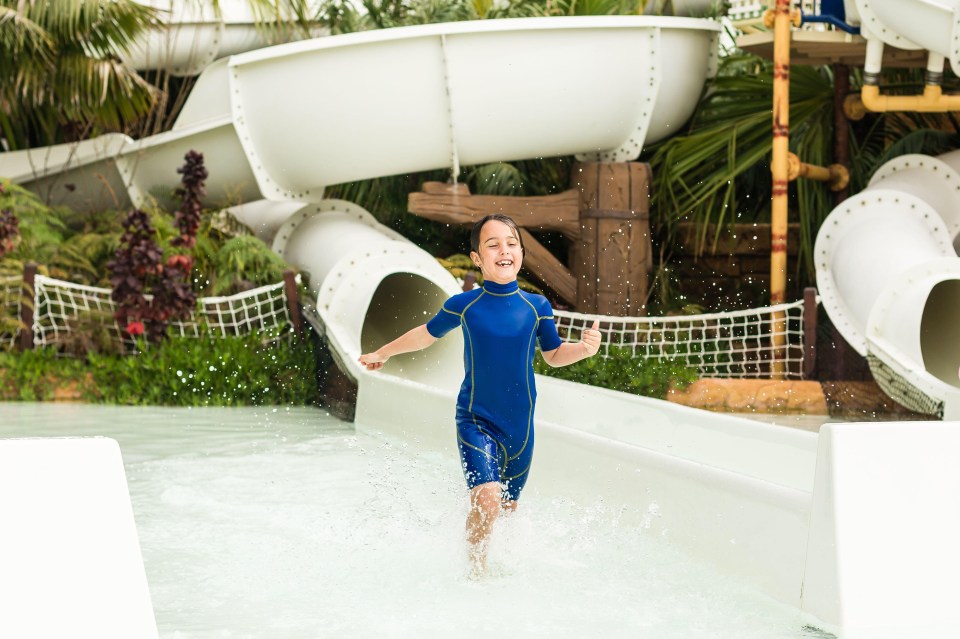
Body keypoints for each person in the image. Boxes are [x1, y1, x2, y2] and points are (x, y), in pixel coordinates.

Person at [358, 214, 602, 576]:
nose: (504, 250)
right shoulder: (466, 304)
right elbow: (426, 333)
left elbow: (553, 354)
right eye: (493, 244)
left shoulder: (537, 307)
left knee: (505, 511)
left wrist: (583, 350)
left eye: (511, 243)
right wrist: (384, 352)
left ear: (520, 251)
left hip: (521, 430)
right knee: (487, 500)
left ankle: (496, 570)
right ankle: (475, 574)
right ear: (477, 258)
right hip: (477, 420)